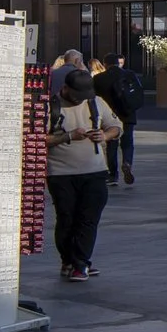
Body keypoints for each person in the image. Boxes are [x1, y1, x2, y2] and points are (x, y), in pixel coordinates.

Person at [49, 65, 119, 280]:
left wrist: (104, 136)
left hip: (95, 170)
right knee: (67, 218)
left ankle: (81, 263)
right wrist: (67, 136)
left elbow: (116, 126)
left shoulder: (95, 102)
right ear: (65, 88)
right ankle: (69, 260)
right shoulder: (49, 106)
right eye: (76, 95)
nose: (80, 99)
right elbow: (35, 140)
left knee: (88, 218)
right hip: (60, 173)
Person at [95, 53, 143, 186]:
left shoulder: (99, 78)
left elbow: (95, 99)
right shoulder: (130, 75)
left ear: (105, 64)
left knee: (111, 144)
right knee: (127, 142)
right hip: (127, 113)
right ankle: (127, 162)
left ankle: (113, 174)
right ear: (118, 63)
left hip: (110, 116)